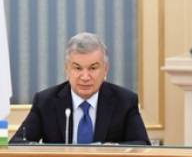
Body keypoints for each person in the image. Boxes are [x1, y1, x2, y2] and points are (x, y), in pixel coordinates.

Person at [11, 32, 150, 145]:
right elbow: (17, 144)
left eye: (93, 68)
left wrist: (113, 149)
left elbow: (142, 145)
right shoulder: (45, 101)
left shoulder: (124, 101)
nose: (85, 77)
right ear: (67, 69)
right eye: (77, 68)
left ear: (105, 69)